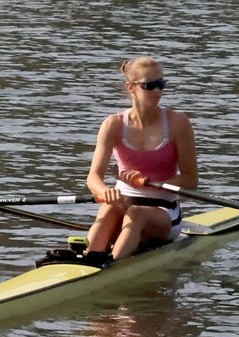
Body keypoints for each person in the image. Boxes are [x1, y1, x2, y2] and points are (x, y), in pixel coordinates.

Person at [84, 56, 198, 262]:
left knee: (136, 214)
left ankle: (111, 267)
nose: (158, 91)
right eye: (150, 85)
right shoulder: (113, 125)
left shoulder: (178, 123)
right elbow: (93, 178)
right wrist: (106, 192)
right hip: (123, 202)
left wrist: (150, 185)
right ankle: (88, 258)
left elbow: (191, 180)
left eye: (161, 84)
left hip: (164, 210)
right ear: (131, 87)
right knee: (108, 209)